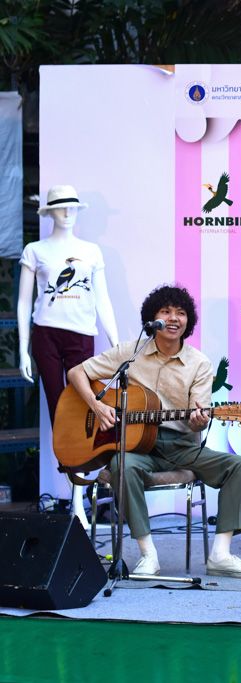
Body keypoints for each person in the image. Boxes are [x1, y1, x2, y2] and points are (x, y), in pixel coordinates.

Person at [67, 284, 241, 579]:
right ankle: (148, 555)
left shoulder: (199, 364)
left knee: (239, 466)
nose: (173, 318)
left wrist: (199, 421)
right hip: (136, 446)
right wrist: (96, 406)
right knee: (122, 466)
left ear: (187, 321)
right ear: (152, 319)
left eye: (180, 313)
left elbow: (197, 419)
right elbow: (76, 372)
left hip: (181, 446)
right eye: (165, 311)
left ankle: (220, 554)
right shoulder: (130, 353)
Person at [18, 185, 118, 529]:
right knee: (58, 413)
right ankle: (72, 496)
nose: (67, 212)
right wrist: (23, 348)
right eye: (61, 207)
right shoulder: (35, 250)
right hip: (46, 334)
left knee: (81, 412)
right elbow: (24, 302)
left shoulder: (91, 251)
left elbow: (103, 300)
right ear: (49, 212)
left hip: (81, 336)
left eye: (72, 207)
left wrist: (117, 344)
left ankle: (78, 500)